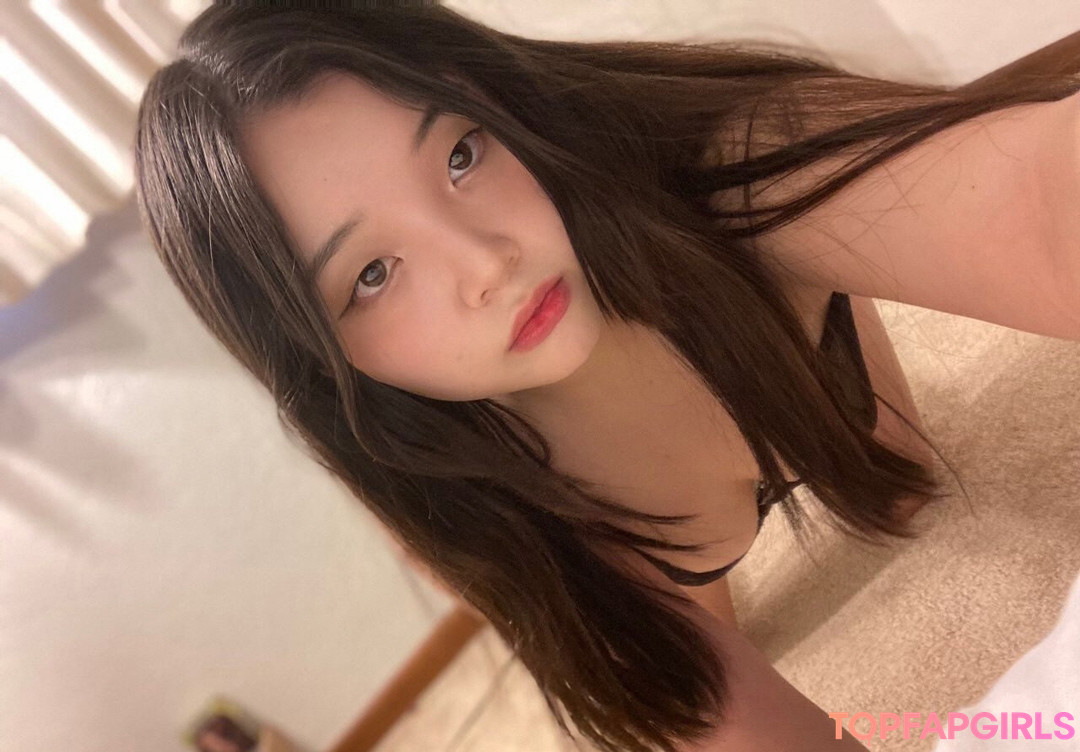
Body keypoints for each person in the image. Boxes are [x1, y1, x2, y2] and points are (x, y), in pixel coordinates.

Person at [134, 3, 1080, 750]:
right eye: (374, 274)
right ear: (323, 356)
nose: (486, 261)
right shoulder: (489, 511)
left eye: (460, 154)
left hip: (749, 278)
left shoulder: (736, 160)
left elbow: (1042, 199)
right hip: (581, 512)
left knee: (894, 476)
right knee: (685, 670)